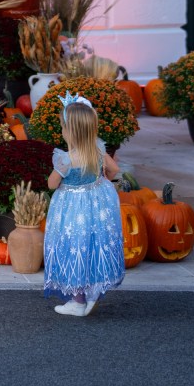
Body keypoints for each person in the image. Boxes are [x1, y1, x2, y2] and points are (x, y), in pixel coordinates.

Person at [43, 92, 125, 316]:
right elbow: (115, 170)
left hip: (71, 210)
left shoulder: (65, 160)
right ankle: (93, 290)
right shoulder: (98, 150)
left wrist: (58, 175)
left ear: (69, 131)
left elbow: (51, 184)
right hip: (96, 206)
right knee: (93, 245)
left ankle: (78, 302)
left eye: (63, 126)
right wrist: (103, 178)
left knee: (74, 248)